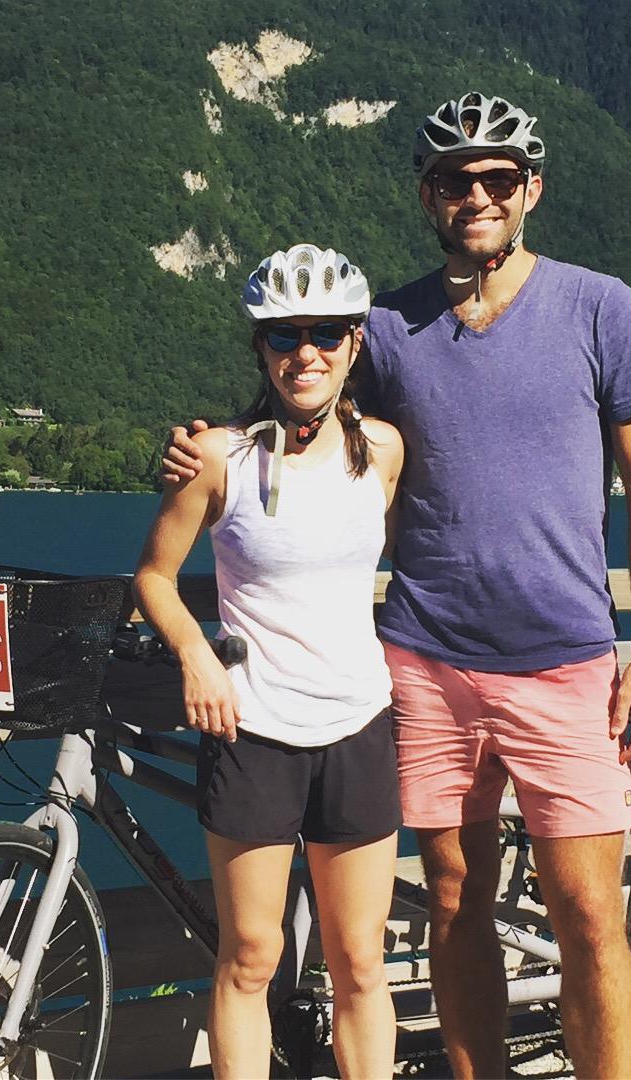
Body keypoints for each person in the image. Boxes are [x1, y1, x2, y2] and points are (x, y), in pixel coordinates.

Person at [164, 92, 631, 1080]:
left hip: (566, 661)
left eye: (496, 178)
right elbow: (291, 408)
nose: (476, 195)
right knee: (450, 899)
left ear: (530, 188)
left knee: (587, 917)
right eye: (454, 180)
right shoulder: (388, 327)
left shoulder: (600, 307)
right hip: (425, 664)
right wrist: (188, 448)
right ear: (427, 196)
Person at [135, 243, 404, 1080]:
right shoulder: (220, 459)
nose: (306, 352)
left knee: (359, 962)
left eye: (326, 332)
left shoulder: (385, 452)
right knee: (251, 957)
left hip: (359, 722)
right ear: (260, 347)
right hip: (254, 728)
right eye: (285, 335)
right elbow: (155, 576)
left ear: (355, 344)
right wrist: (194, 655)